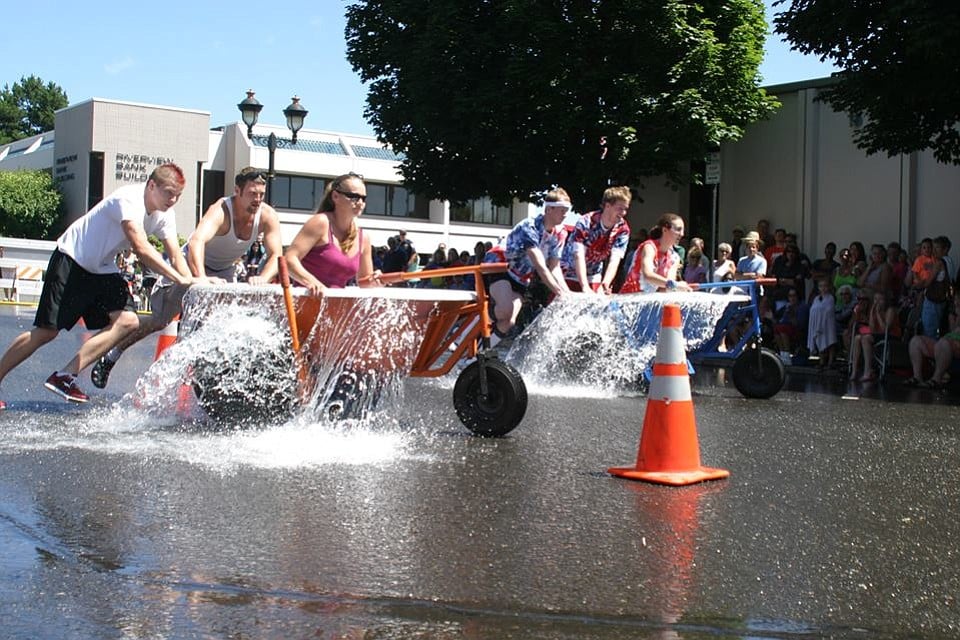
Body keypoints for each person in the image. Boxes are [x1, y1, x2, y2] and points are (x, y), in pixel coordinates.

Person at [0, 163, 197, 409]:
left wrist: (194, 280)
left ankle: (65, 375)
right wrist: (179, 278)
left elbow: (176, 255)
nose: (173, 199)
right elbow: (141, 247)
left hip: (102, 268)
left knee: (128, 321)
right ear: (152, 185)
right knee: (46, 333)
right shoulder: (128, 199)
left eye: (178, 195)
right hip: (73, 259)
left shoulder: (166, 215)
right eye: (169, 192)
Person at [89, 167, 284, 389]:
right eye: (252, 194)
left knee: (223, 324)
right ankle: (112, 355)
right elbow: (196, 242)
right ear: (237, 191)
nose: (257, 200)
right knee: (160, 320)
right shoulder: (221, 209)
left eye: (261, 194)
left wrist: (263, 277)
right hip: (191, 263)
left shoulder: (267, 215)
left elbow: (276, 254)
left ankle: (209, 382)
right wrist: (199, 279)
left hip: (224, 271)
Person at [485, 188, 571, 343]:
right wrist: (559, 292)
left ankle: (476, 357)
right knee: (505, 310)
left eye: (567, 210)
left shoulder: (561, 233)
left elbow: (554, 268)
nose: (565, 214)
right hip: (501, 266)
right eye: (562, 210)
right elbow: (540, 266)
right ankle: (477, 318)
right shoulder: (529, 226)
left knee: (509, 322)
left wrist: (567, 292)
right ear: (549, 209)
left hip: (521, 277)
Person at [284, 172, 380, 296]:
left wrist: (376, 280)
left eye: (364, 198)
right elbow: (289, 259)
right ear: (335, 196)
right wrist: (312, 282)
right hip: (306, 301)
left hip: (335, 307)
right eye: (354, 197)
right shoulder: (320, 223)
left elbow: (364, 282)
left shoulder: (364, 238)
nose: (360, 202)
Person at [560, 185, 631, 293]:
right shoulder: (586, 222)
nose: (623, 213)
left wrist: (605, 284)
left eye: (625, 209)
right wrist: (584, 286)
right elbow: (578, 255)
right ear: (607, 206)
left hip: (593, 274)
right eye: (620, 208)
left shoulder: (623, 230)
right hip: (568, 272)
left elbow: (615, 260)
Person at [620, 213, 692, 293]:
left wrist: (680, 288)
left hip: (651, 302)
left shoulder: (674, 258)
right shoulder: (649, 247)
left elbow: (666, 288)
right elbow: (648, 275)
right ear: (665, 230)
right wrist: (675, 285)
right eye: (678, 229)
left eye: (682, 231)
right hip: (631, 299)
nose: (682, 234)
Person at [904, 291, 960, 389]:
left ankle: (936, 379)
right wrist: (955, 317)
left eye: (958, 301)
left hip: (951, 344)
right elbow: (953, 331)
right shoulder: (953, 313)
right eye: (955, 300)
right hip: (947, 343)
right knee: (916, 341)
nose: (956, 303)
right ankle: (917, 377)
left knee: (944, 343)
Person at [848, 289, 900, 381]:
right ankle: (854, 370)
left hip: (890, 335)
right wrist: (872, 313)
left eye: (880, 300)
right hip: (877, 334)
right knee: (857, 338)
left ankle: (867, 371)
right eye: (875, 299)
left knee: (866, 338)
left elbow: (885, 329)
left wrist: (878, 314)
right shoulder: (874, 309)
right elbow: (872, 328)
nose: (877, 302)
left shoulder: (890, 310)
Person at [807, 278, 838, 370]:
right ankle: (822, 361)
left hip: (827, 324)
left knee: (829, 341)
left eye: (825, 286)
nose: (823, 288)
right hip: (817, 323)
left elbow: (829, 310)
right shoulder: (816, 298)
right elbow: (813, 309)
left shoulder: (830, 298)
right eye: (821, 286)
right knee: (819, 340)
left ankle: (830, 362)